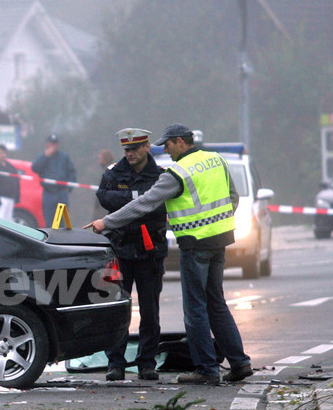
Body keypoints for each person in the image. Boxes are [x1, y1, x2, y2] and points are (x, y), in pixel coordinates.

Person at [84, 124, 253, 385]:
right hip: (218, 241)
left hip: (193, 245)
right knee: (216, 303)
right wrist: (215, 223)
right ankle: (239, 362)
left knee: (195, 309)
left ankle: (207, 369)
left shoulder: (177, 172)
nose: (166, 149)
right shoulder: (216, 160)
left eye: (169, 144)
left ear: (181, 142)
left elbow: (144, 203)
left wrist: (105, 223)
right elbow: (233, 197)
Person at [95, 129, 167, 382]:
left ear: (146, 147)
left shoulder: (160, 176)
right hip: (120, 251)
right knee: (117, 310)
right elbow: (104, 197)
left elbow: (159, 205)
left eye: (135, 149)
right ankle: (115, 364)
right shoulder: (114, 173)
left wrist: (126, 201)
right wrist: (139, 199)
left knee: (150, 311)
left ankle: (147, 364)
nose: (130, 154)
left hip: (150, 253)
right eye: (126, 150)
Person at [31, 133, 77, 227]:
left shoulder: (64, 157)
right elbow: (35, 168)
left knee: (61, 223)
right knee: (50, 223)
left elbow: (72, 172)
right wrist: (45, 156)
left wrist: (69, 187)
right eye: (51, 143)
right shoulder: (42, 157)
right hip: (48, 194)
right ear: (47, 144)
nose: (53, 146)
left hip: (61, 193)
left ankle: (62, 241)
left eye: (54, 143)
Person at [93, 148, 116, 217]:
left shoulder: (109, 171)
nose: (99, 161)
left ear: (105, 159)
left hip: (105, 207)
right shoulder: (108, 170)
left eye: (100, 158)